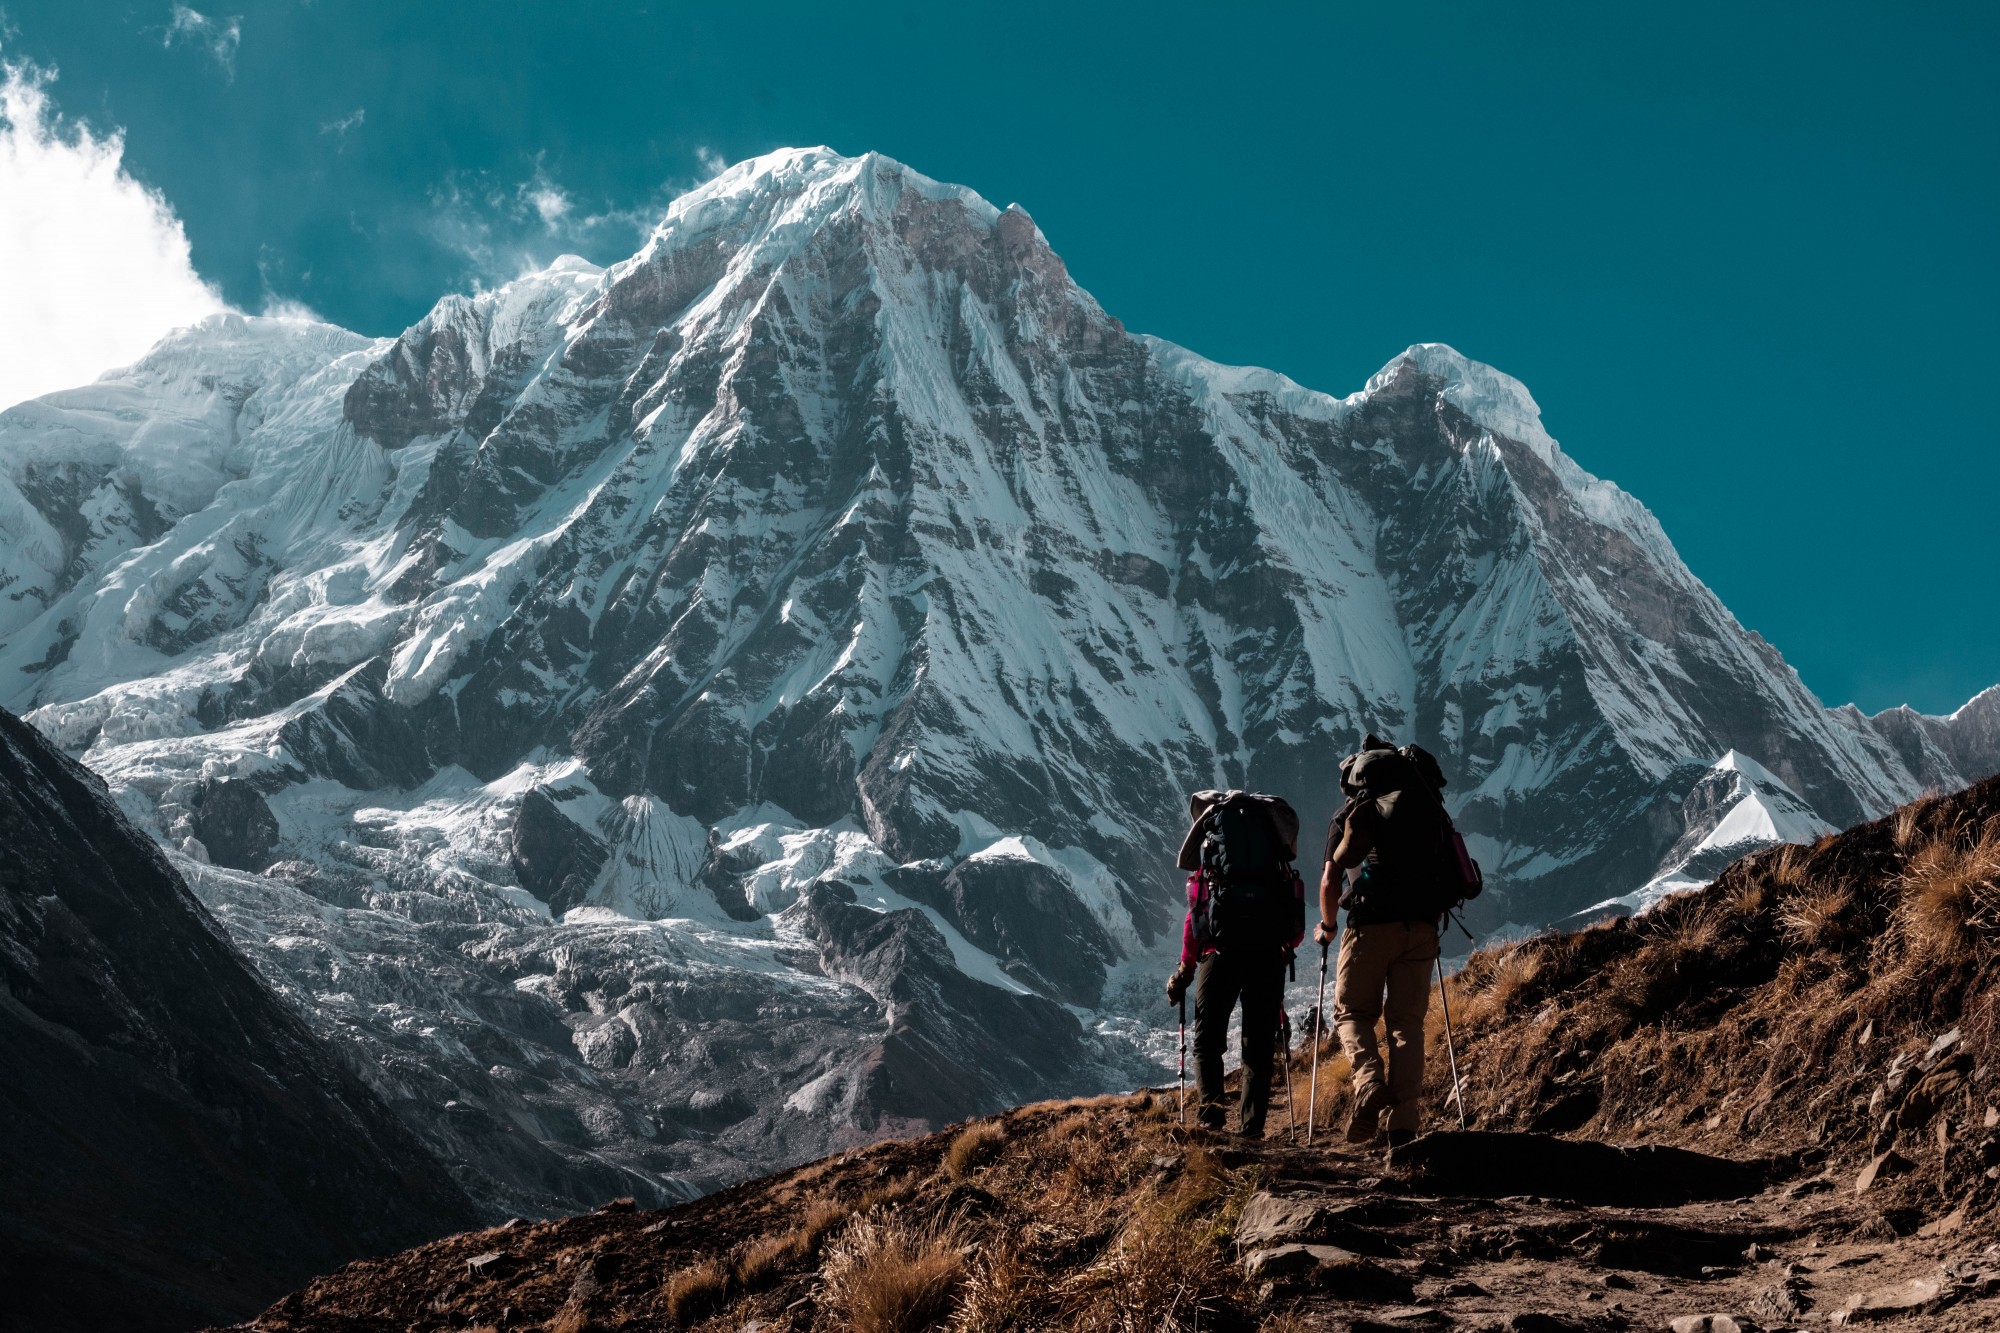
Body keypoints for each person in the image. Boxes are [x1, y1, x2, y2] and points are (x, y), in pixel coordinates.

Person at [1313, 735, 1455, 1147]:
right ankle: (1404, 1125)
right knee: (1407, 1024)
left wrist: (1328, 926)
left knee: (1352, 1013)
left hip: (1370, 924)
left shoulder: (1351, 815)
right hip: (1423, 925)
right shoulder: (1428, 807)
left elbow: (1329, 881)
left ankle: (1370, 1082)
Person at [1165, 790, 1305, 1138]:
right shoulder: (1272, 860)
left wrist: (1185, 971)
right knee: (1257, 1045)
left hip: (1220, 954)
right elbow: (1292, 914)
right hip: (1268, 954)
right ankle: (1252, 1129)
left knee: (1207, 1042)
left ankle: (1211, 1120)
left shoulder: (1213, 860)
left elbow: (1195, 918)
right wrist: (1281, 947)